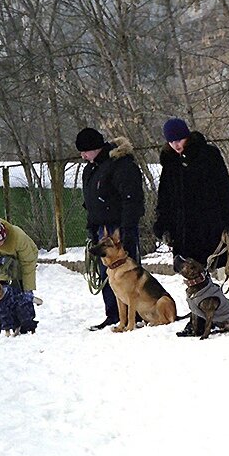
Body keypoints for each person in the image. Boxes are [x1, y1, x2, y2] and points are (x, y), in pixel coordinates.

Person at [154, 118, 229, 337]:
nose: (176, 145)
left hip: (206, 223)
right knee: (190, 274)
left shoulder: (208, 155)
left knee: (202, 271)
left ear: (187, 136)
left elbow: (223, 188)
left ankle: (207, 315)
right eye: (171, 141)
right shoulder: (170, 163)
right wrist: (162, 224)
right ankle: (198, 316)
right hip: (181, 228)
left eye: (179, 139)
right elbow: (164, 197)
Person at [76, 127, 145, 331]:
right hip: (102, 227)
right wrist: (91, 226)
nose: (82, 156)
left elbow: (131, 199)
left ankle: (135, 314)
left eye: (85, 151)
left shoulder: (120, 165)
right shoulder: (91, 169)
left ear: (95, 148)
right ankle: (114, 314)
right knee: (107, 272)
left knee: (128, 272)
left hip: (119, 227)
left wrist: (128, 228)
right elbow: (90, 202)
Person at [0, 217, 39, 334]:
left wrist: (28, 288)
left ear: (5, 237)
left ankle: (26, 328)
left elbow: (28, 263)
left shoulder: (18, 237)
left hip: (22, 261)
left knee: (21, 297)